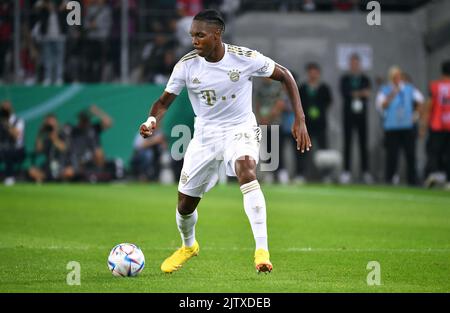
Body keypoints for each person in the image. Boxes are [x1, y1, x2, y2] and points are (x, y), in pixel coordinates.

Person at [139, 9, 311, 273]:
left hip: (240, 128)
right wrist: (151, 121)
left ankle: (262, 251)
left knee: (246, 169)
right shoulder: (186, 66)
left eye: (200, 35)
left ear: (217, 34)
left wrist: (299, 118)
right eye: (192, 35)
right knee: (185, 206)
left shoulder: (244, 58)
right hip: (205, 136)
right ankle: (188, 246)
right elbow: (163, 102)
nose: (194, 40)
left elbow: (285, 75)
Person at [375, 66, 424, 186]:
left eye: (399, 76)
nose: (397, 79)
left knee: (410, 154)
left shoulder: (409, 88)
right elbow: (381, 105)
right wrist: (393, 93)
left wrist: (416, 115)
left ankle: (412, 181)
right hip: (392, 127)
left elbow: (420, 101)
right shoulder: (385, 90)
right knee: (392, 155)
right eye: (395, 77)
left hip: (407, 126)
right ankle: (389, 179)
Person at [339, 53, 372, 184]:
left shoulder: (365, 79)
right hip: (348, 115)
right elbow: (345, 92)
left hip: (362, 115)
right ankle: (346, 171)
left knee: (363, 144)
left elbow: (368, 93)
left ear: (359, 65)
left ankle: (365, 171)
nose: (354, 66)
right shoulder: (345, 79)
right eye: (352, 63)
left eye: (356, 63)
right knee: (347, 143)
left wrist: (355, 93)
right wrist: (359, 93)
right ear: (349, 65)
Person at [298, 62, 332, 182]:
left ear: (318, 74)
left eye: (315, 72)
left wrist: (318, 110)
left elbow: (328, 102)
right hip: (306, 125)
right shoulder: (302, 88)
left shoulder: (324, 88)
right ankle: (301, 174)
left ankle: (326, 175)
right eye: (310, 72)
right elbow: (299, 104)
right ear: (308, 74)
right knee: (303, 149)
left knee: (323, 149)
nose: (313, 75)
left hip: (320, 124)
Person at [421, 60, 450, 188]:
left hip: (437, 125)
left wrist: (423, 126)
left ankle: (434, 174)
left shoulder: (435, 86)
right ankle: (448, 180)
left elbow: (429, 106)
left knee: (433, 151)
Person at [28, 114, 72, 183]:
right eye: (48, 123)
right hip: (48, 166)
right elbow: (38, 149)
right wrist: (40, 134)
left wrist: (53, 137)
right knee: (32, 171)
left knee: (69, 172)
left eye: (52, 123)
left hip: (61, 164)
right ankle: (48, 179)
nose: (50, 125)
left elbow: (63, 148)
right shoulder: (45, 136)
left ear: (56, 123)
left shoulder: (62, 133)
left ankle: (58, 179)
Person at [0, 100, 25, 186]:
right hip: (2, 148)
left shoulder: (18, 121)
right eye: (3, 108)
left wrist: (7, 123)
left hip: (17, 149)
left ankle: (9, 177)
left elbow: (17, 135)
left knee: (8, 152)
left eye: (7, 108)